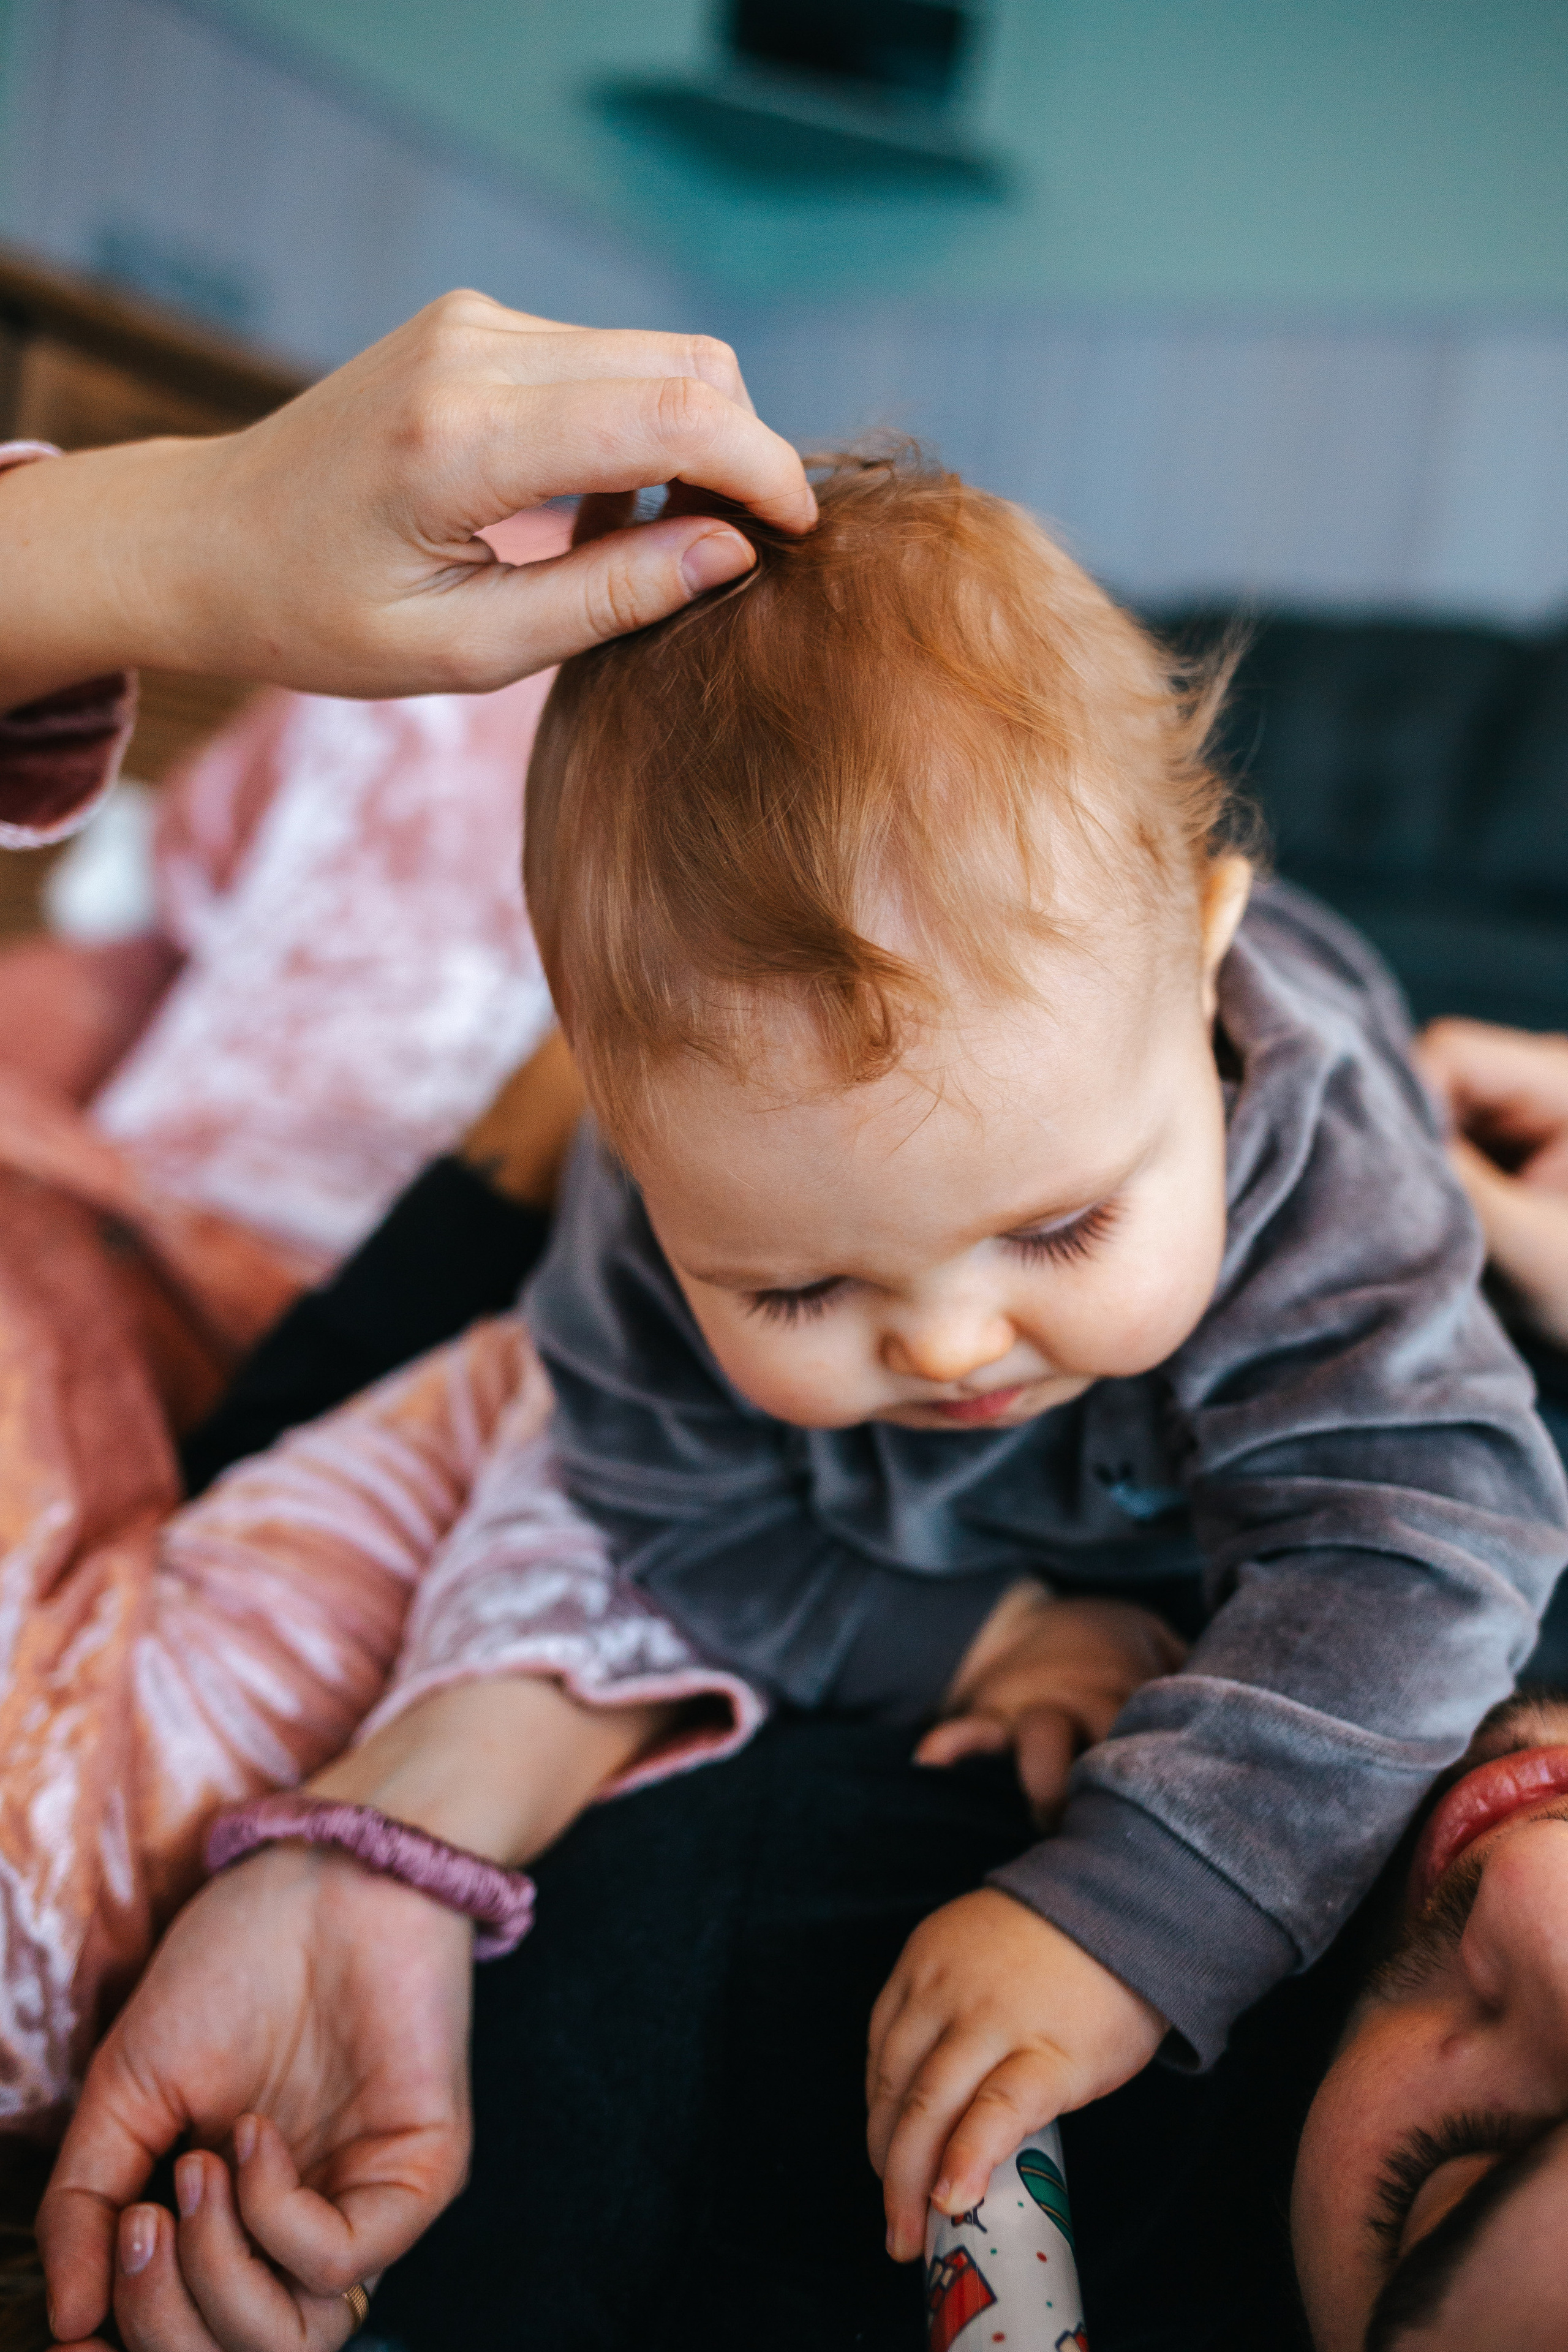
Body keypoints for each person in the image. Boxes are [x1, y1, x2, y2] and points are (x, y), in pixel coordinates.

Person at [514, 445, 1566, 2263]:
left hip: (1337, 1058)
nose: (944, 1343)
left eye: (1059, 1229)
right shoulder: (654, 1201)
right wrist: (986, 1636)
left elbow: (1427, 1542)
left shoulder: (1315, 1169)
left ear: (1203, 980)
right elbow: (660, 1498)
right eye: (792, 1293)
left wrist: (1134, 1908)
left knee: (1465, 1213)